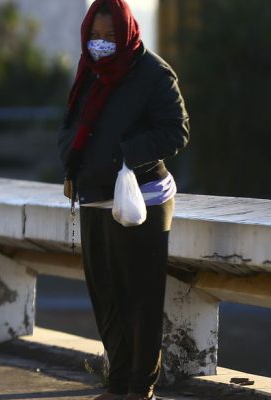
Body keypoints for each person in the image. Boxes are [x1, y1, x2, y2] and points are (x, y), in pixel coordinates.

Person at [57, 1, 189, 399]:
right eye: (94, 36)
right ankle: (117, 384)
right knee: (106, 295)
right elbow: (72, 125)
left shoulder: (152, 73)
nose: (100, 44)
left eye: (109, 37)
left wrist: (124, 156)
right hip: (95, 197)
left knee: (140, 297)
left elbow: (175, 131)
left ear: (127, 33)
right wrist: (71, 159)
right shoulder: (89, 72)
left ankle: (139, 388)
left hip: (141, 199)